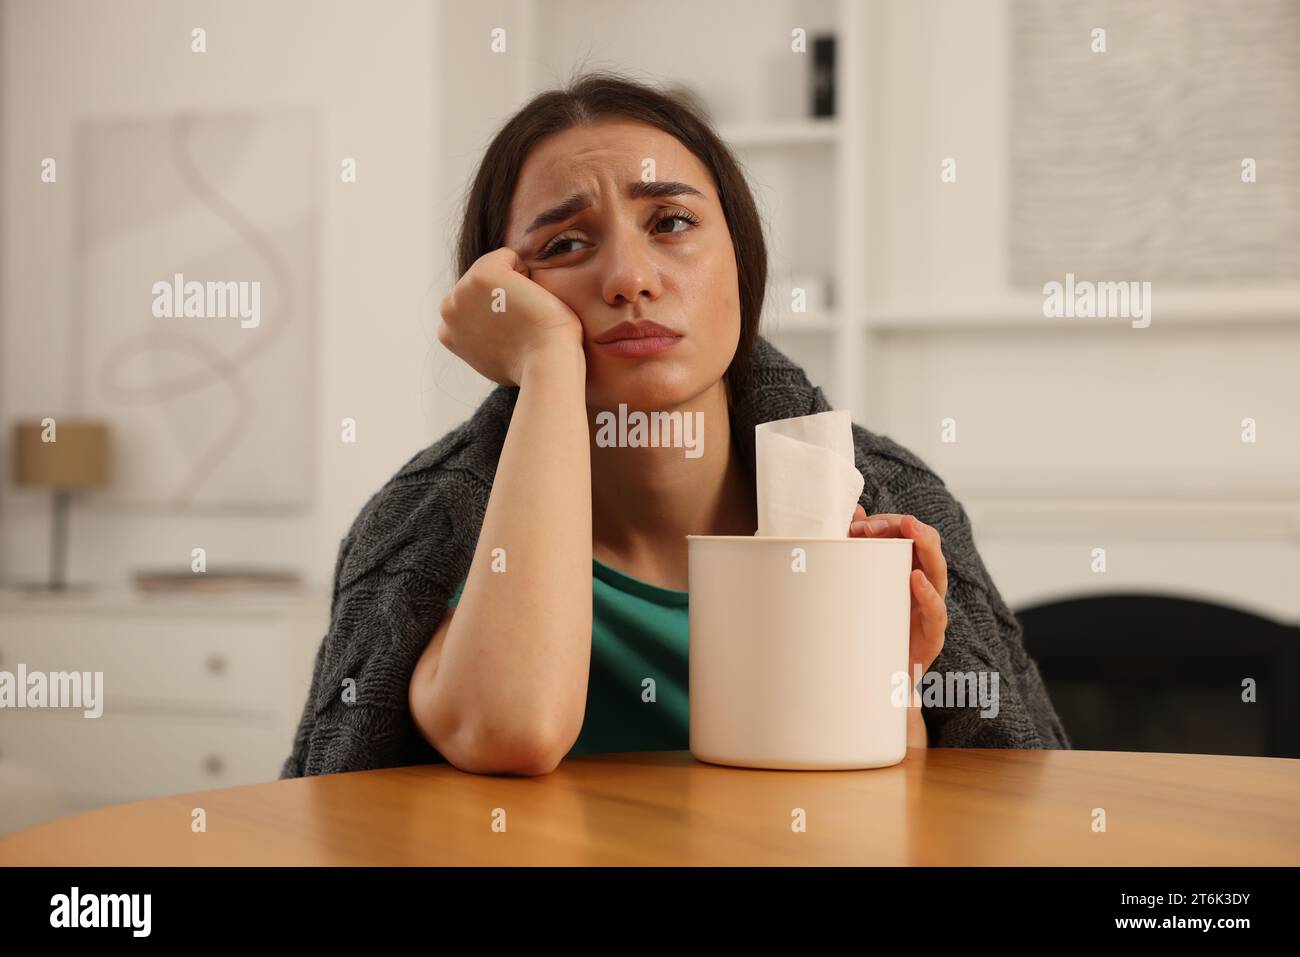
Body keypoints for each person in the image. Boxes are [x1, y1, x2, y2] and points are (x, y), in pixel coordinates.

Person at [281, 72, 1070, 779]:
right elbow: (512, 729)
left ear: (740, 258)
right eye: (564, 243)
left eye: (670, 224)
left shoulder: (892, 497)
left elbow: (931, 821)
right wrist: (550, 363)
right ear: (507, 297)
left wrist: (884, 679)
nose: (629, 279)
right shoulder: (428, 531)